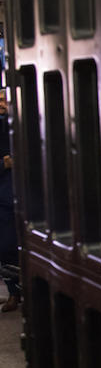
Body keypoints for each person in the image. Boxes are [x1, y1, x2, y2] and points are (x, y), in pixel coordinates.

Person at [0, 94, 20, 312]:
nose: (2, 103)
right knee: (6, 247)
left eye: (4, 99)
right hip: (4, 197)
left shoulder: (20, 123)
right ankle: (14, 293)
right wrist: (3, 164)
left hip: (27, 195)